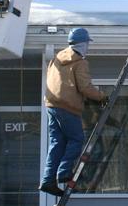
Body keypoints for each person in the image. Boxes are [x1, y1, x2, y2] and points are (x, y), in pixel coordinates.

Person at [40, 27, 108, 197]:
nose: (88, 48)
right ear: (82, 44)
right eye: (87, 44)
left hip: (51, 105)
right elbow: (85, 87)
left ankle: (48, 180)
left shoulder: (56, 58)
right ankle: (63, 172)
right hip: (67, 106)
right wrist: (101, 97)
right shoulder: (79, 61)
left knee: (57, 143)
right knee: (77, 138)